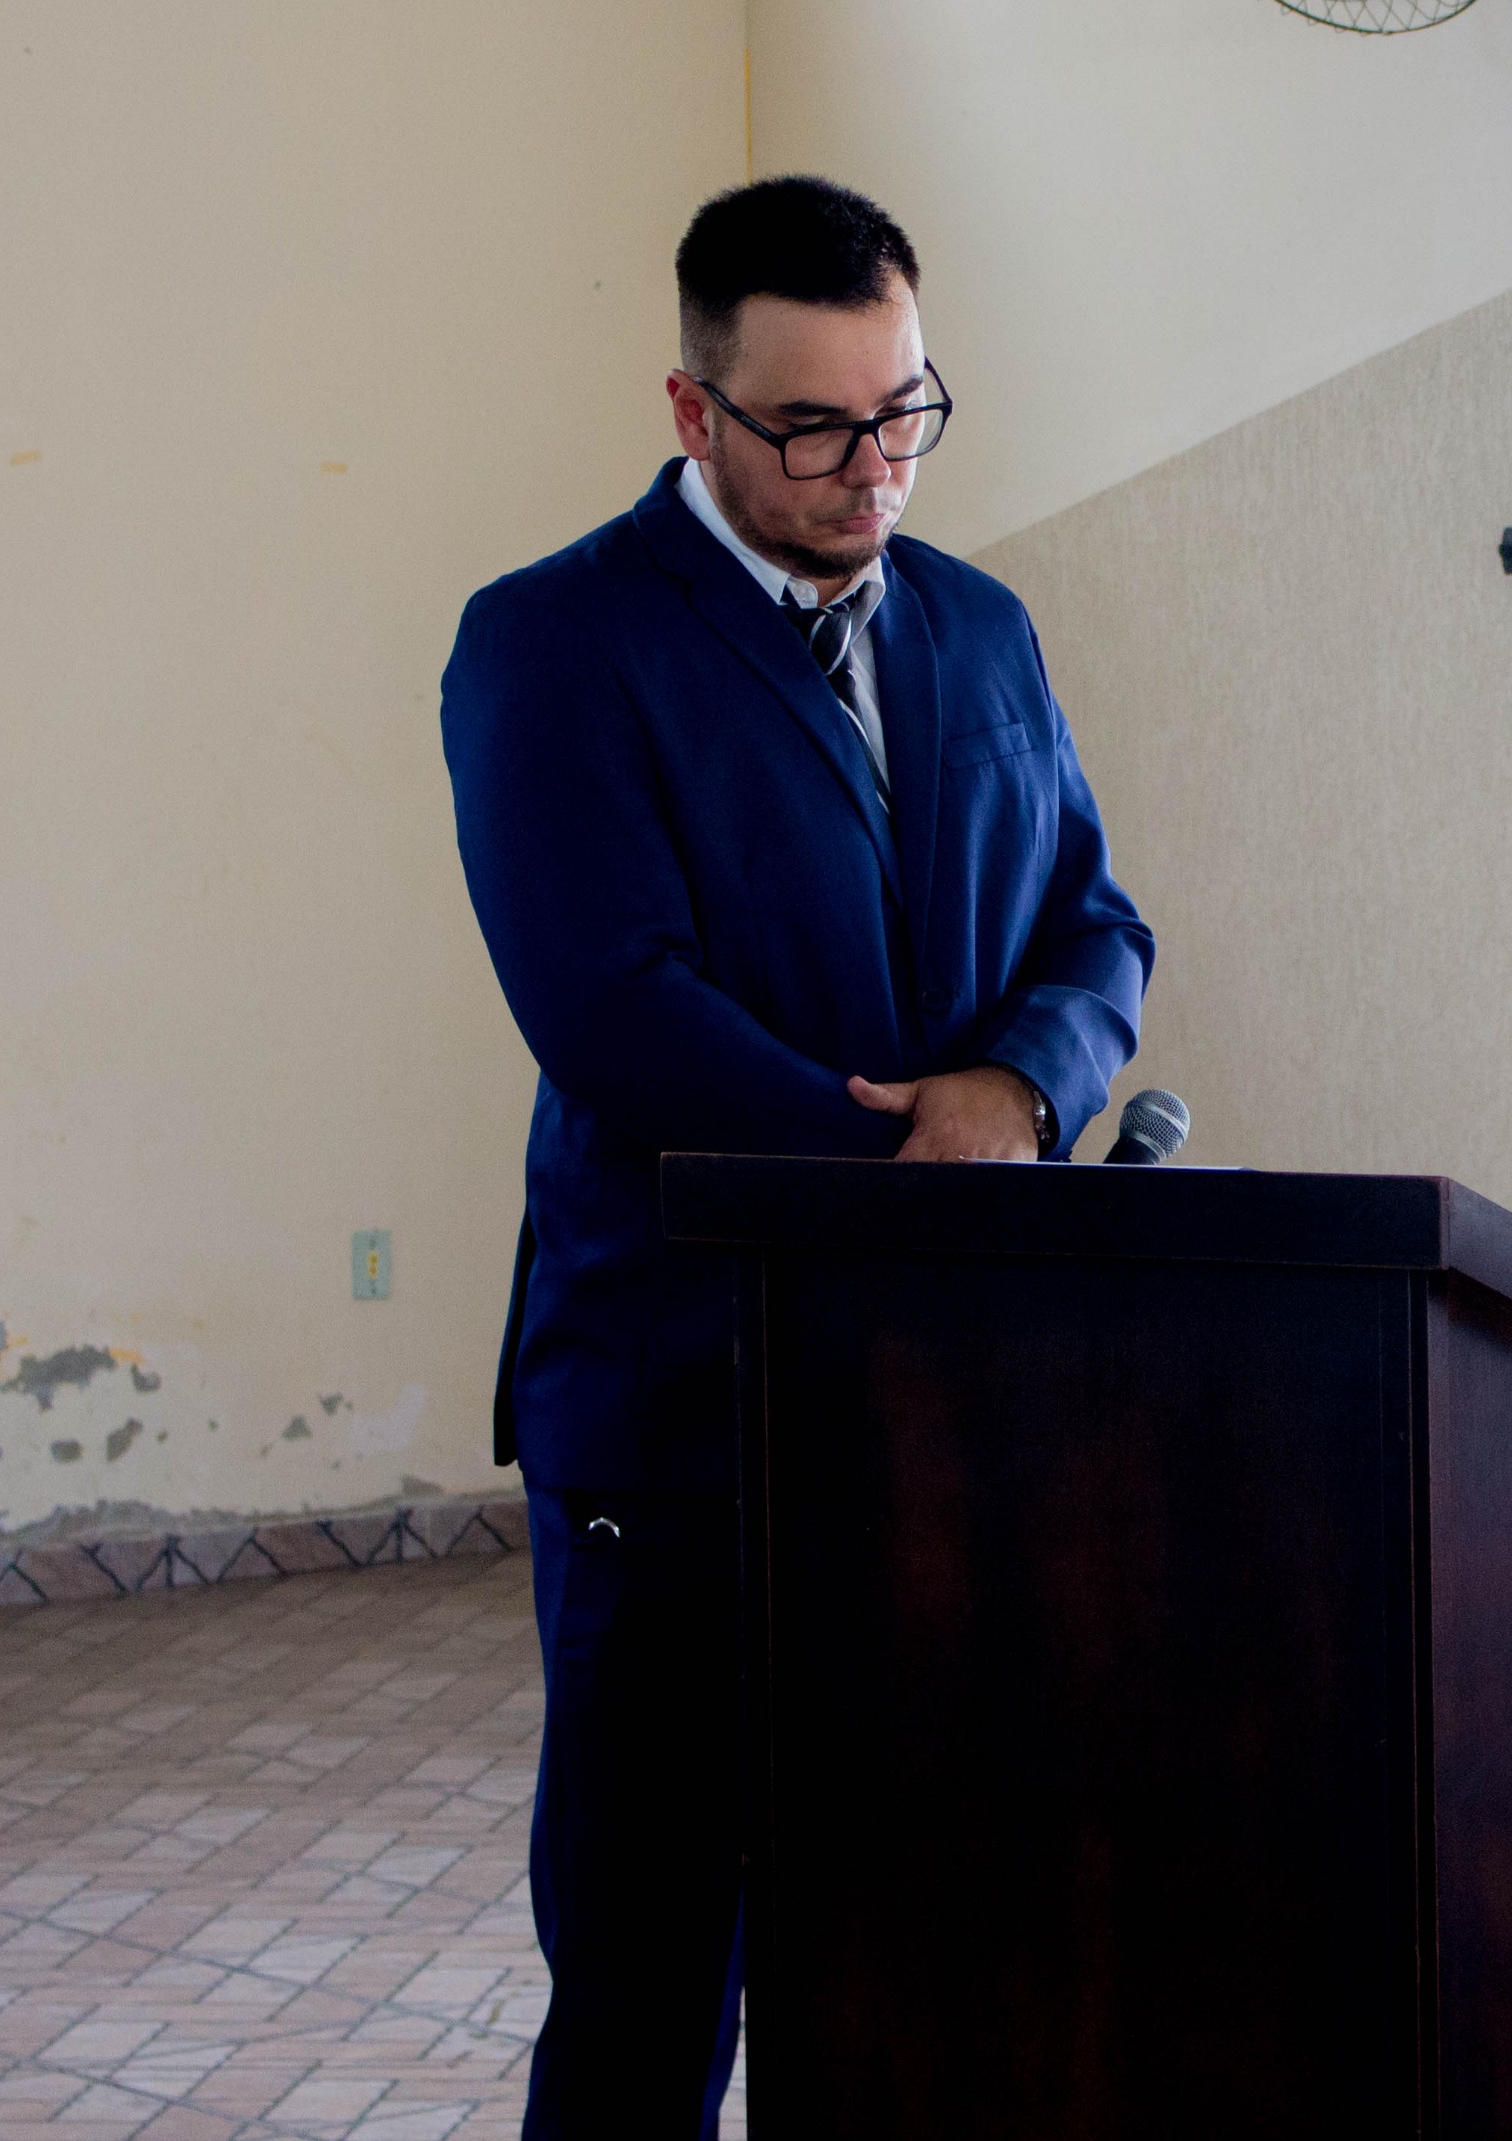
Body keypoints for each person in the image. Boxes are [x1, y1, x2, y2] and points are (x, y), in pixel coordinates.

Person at [441, 177, 1151, 2135]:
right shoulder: (552, 643)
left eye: (905, 411)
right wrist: (907, 1149)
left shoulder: (982, 628)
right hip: (680, 1401)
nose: (872, 469)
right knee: (650, 1975)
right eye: (815, 428)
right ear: (695, 411)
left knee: (925, 1948)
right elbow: (612, 1005)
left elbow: (1096, 927)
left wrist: (1019, 1093)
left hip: (959, 1406)